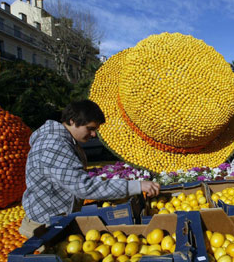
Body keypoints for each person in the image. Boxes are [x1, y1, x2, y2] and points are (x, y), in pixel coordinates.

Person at [19, 100, 160, 238]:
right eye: (90, 128)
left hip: (57, 221)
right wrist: (137, 185)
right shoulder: (54, 145)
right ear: (72, 121)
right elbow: (83, 186)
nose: (94, 135)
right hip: (45, 227)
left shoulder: (65, 141)